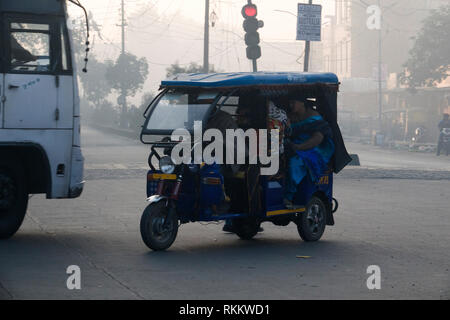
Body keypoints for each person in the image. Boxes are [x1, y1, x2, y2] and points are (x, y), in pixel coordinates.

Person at [284, 98, 335, 209]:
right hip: (294, 145)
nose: (291, 104)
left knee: (295, 162)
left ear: (302, 103)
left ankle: (288, 196)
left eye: (293, 102)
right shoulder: (289, 116)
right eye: (290, 102)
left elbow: (317, 139)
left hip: (313, 149)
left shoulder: (314, 117)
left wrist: (299, 147)